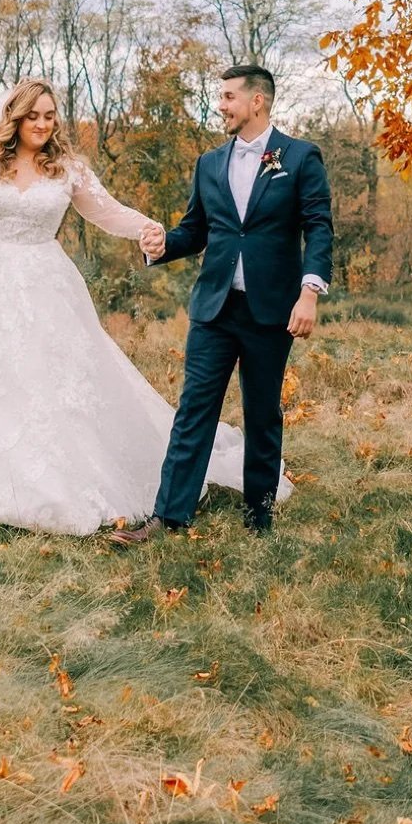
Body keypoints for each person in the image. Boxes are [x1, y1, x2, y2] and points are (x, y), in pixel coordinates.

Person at [0, 76, 257, 534]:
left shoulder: (67, 168)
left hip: (45, 283)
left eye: (49, 115)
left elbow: (106, 210)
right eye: (33, 116)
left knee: (50, 378)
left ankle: (60, 475)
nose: (42, 124)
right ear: (15, 119)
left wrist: (150, 227)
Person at [112, 63, 333, 544]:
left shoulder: (299, 157)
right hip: (214, 309)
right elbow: (196, 230)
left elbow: (318, 226)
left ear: (257, 101)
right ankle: (168, 517)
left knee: (262, 412)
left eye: (230, 97)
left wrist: (309, 292)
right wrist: (162, 246)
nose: (221, 105)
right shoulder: (209, 163)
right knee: (193, 411)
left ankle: (260, 517)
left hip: (271, 309)